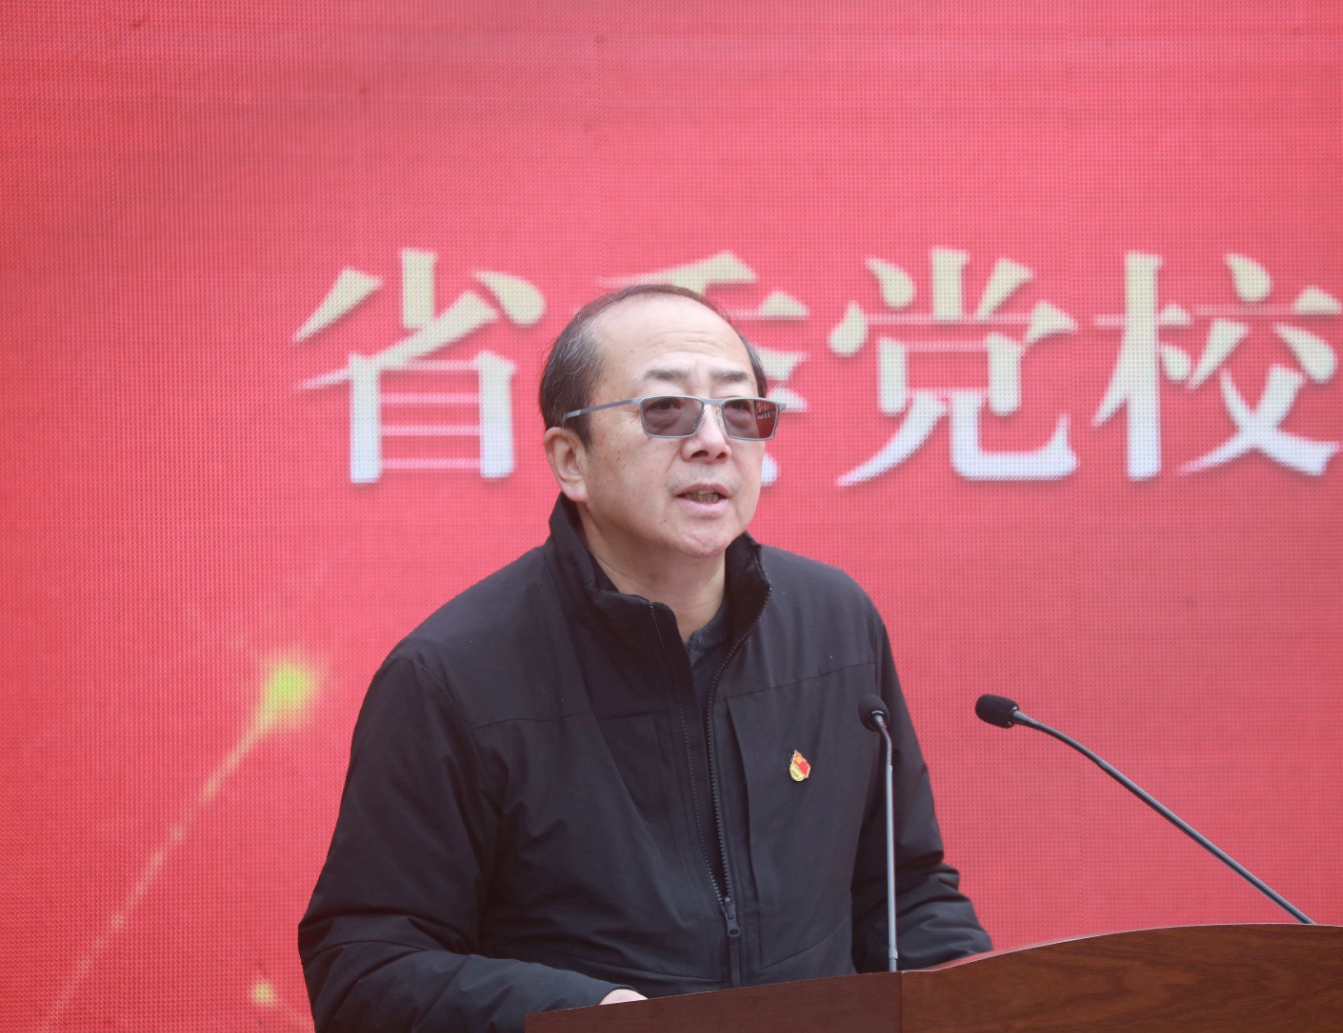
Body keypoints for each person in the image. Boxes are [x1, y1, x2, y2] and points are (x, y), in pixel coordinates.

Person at [299, 285, 990, 1031]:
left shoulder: (836, 623)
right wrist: (587, 1015)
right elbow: (366, 967)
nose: (713, 441)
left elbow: (905, 892)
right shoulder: (450, 678)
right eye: (666, 410)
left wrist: (982, 1003)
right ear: (571, 460)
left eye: (740, 410)